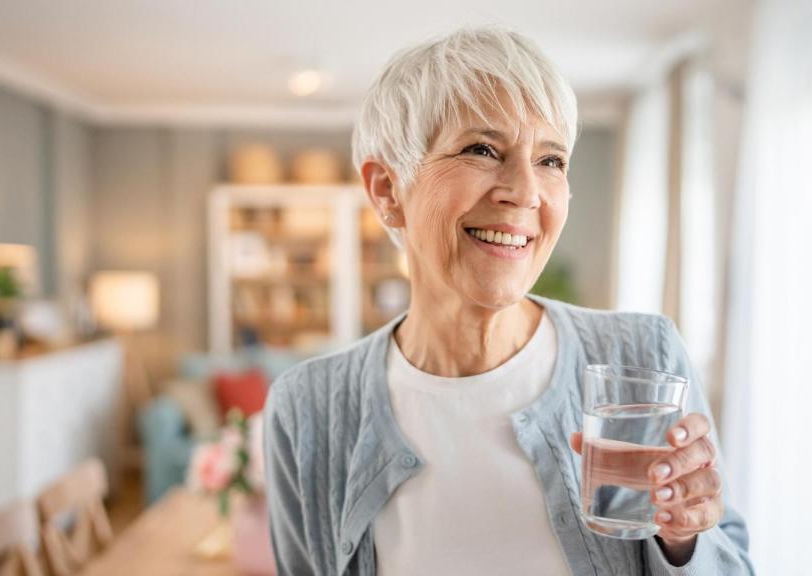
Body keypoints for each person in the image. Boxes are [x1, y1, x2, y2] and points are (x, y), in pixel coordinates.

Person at [265, 25, 753, 576]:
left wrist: (685, 542)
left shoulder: (642, 356)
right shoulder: (308, 408)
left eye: (551, 161)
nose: (524, 191)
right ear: (387, 190)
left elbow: (732, 565)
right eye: (481, 149)